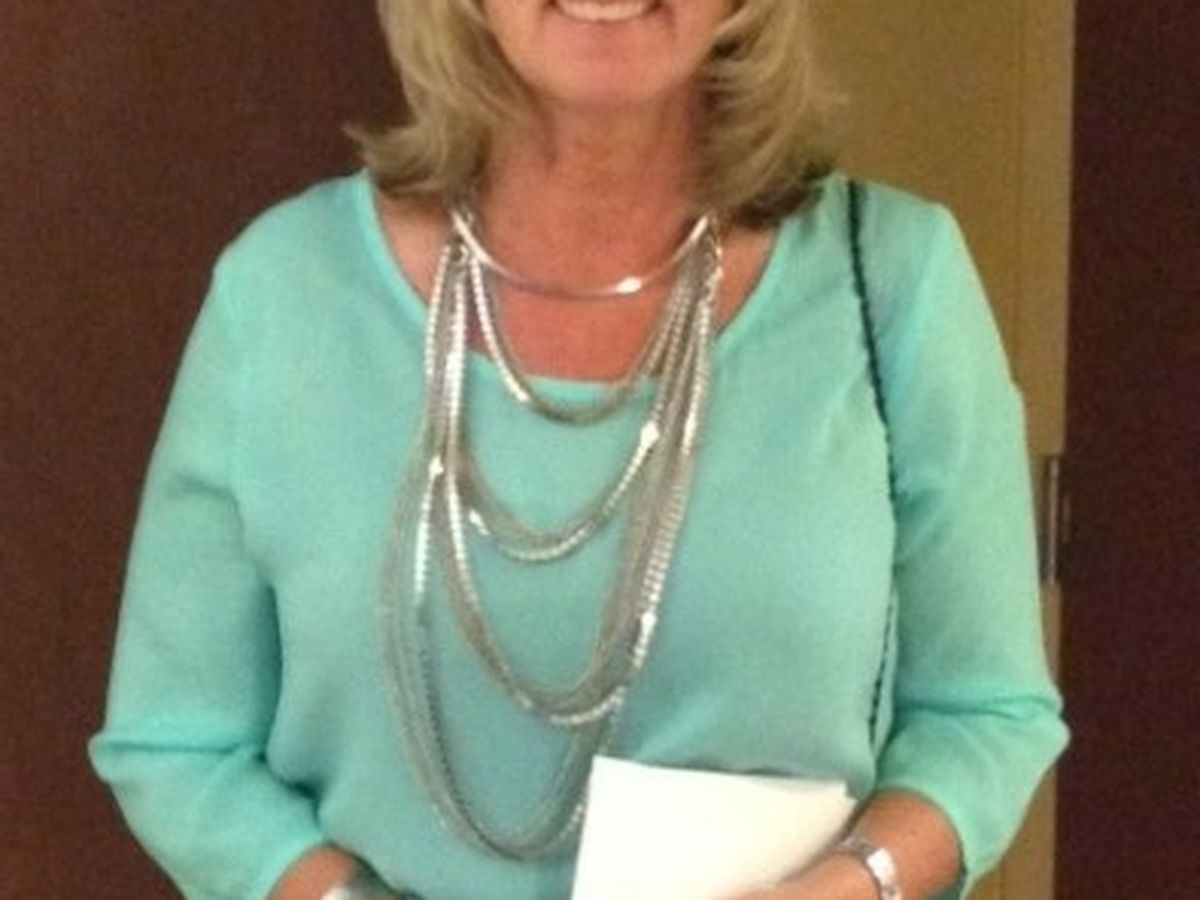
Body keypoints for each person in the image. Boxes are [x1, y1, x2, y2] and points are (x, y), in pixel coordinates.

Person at [91, 1, 1069, 898]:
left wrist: (852, 886)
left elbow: (985, 717)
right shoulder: (284, 290)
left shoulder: (893, 283)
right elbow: (180, 748)